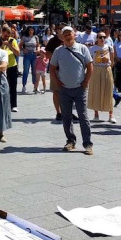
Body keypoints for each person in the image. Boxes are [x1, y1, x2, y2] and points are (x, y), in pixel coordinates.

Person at [50, 26, 94, 155]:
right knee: (66, 117)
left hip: (80, 89)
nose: (68, 36)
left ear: (74, 35)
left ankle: (87, 144)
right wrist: (57, 82)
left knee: (83, 116)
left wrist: (86, 82)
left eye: (70, 34)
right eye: (65, 35)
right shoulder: (58, 51)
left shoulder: (82, 48)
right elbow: (52, 68)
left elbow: (90, 66)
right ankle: (70, 141)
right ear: (62, 37)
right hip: (64, 89)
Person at [88, 33, 116, 123]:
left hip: (106, 70)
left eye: (104, 37)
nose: (102, 39)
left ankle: (111, 115)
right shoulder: (92, 49)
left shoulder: (109, 47)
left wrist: (107, 66)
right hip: (96, 70)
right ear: (97, 38)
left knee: (108, 91)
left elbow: (112, 60)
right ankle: (96, 115)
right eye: (100, 37)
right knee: (96, 90)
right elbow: (90, 61)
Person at [45, 24, 64, 122]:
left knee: (68, 92)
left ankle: (67, 112)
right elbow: (47, 55)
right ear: (56, 30)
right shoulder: (52, 41)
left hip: (68, 70)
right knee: (56, 91)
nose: (61, 30)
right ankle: (58, 112)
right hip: (55, 69)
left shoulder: (69, 40)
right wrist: (57, 56)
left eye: (63, 29)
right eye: (60, 28)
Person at [1, 26, 20, 112]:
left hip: (12, 66)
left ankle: (13, 105)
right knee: (2, 87)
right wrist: (2, 44)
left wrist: (10, 45)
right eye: (5, 35)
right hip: (1, 66)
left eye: (8, 35)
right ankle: (3, 104)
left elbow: (18, 53)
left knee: (13, 86)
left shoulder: (13, 41)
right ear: (2, 33)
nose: (7, 37)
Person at [20, 26, 40, 94]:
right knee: (26, 71)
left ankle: (35, 86)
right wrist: (23, 49)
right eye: (29, 30)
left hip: (34, 55)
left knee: (34, 71)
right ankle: (24, 86)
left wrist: (38, 49)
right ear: (28, 31)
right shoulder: (24, 37)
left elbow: (38, 45)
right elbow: (20, 45)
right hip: (27, 55)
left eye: (32, 30)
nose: (31, 31)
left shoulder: (36, 37)